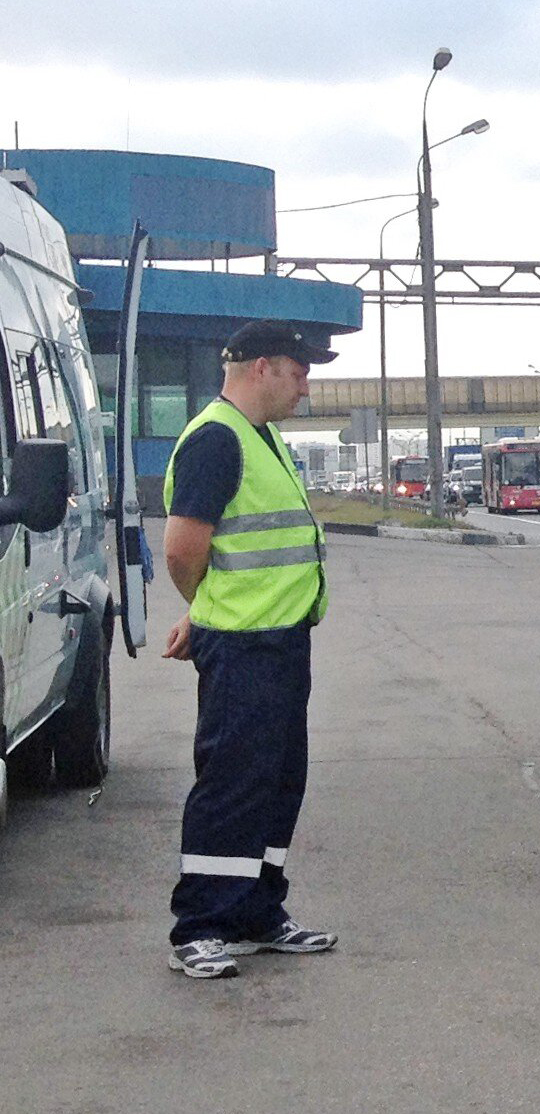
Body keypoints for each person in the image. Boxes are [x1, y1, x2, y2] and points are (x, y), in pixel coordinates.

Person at [159, 320, 341, 978]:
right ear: (262, 367)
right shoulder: (216, 439)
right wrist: (205, 612)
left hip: (280, 641)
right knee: (233, 785)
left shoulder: (259, 437)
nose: (306, 388)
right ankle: (201, 926)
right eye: (299, 372)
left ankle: (258, 912)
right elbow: (183, 549)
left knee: (276, 782)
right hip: (242, 645)